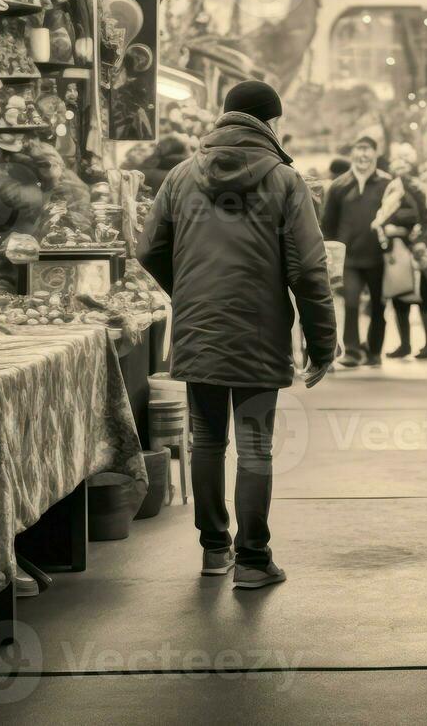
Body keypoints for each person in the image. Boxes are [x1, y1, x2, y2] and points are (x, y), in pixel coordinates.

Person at [138, 80, 337, 590]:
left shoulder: (182, 176)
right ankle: (252, 560)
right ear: (270, 124)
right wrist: (322, 343)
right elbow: (310, 272)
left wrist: (188, 292)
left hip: (200, 328)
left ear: (225, 119)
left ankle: (212, 550)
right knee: (254, 447)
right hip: (259, 330)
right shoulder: (286, 182)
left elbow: (149, 250)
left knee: (206, 439)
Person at [322, 135, 414, 368]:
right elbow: (328, 225)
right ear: (352, 153)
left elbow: (409, 212)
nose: (363, 154)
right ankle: (352, 351)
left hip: (379, 256)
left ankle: (374, 351)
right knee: (351, 303)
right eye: (359, 149)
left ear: (376, 153)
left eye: (368, 150)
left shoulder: (388, 183)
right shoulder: (338, 186)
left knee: (377, 306)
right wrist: (329, 255)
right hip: (348, 258)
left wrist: (394, 224)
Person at [381, 145, 427, 360]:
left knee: (423, 296)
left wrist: (400, 227)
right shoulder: (392, 188)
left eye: (405, 162)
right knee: (399, 296)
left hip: (415, 248)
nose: (401, 166)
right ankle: (405, 344)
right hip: (399, 250)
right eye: (398, 162)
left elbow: (426, 217)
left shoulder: (419, 188)